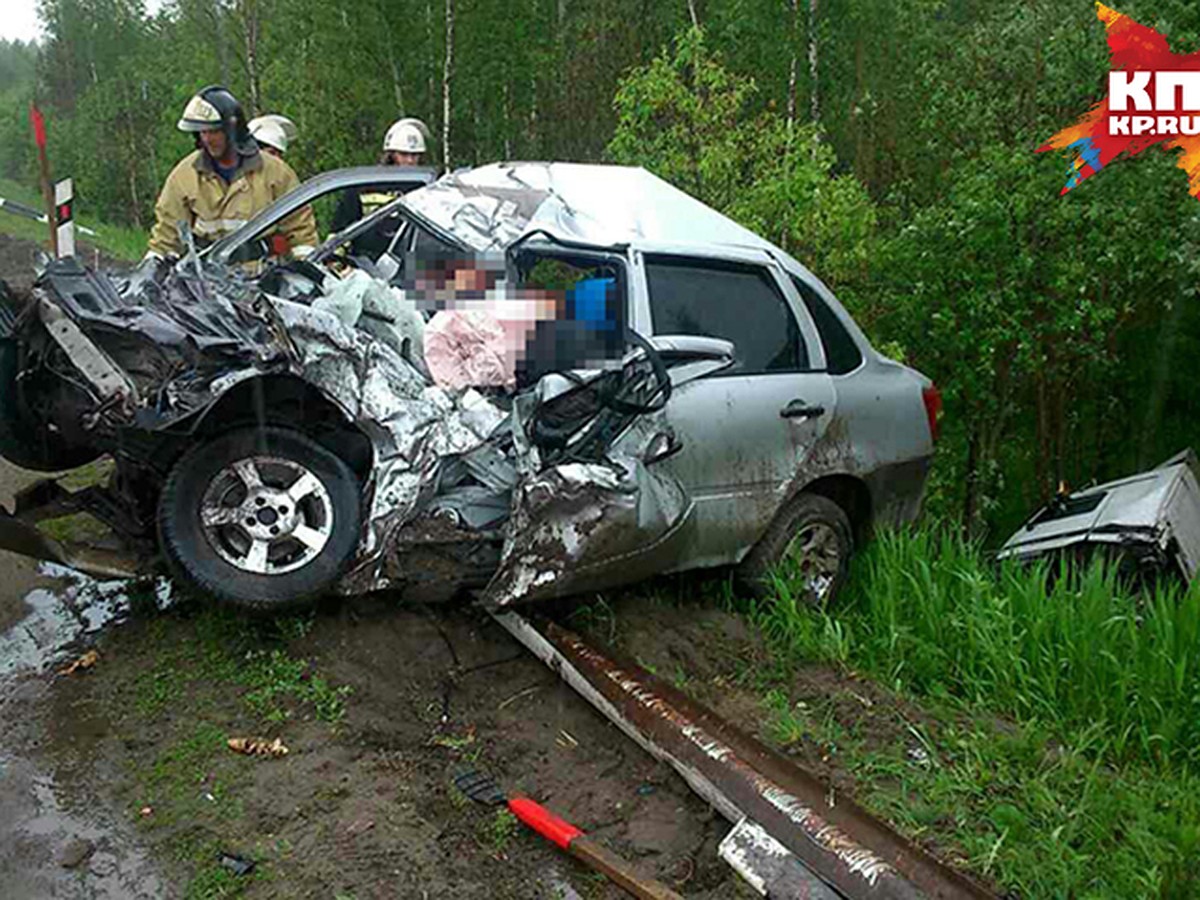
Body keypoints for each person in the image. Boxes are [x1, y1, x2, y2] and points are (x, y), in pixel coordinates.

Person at [144, 86, 318, 263]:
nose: (207, 139)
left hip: (264, 280)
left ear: (232, 130)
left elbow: (300, 233)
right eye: (202, 132)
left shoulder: (275, 172)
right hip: (206, 282)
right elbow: (166, 237)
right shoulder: (185, 175)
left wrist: (306, 271)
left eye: (214, 131)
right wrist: (149, 269)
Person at [330, 117, 432, 258]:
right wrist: (336, 262)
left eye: (415, 155)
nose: (410, 160)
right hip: (367, 267)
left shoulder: (427, 188)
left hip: (415, 267)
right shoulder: (365, 185)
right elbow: (341, 230)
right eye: (403, 154)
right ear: (391, 154)